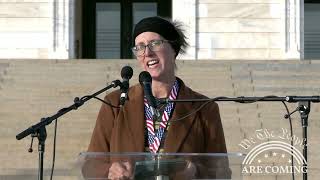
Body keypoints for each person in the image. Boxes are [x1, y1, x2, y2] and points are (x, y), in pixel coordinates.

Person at [87, 16, 229, 179]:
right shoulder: (115, 103)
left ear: (173, 48)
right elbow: (91, 164)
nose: (147, 53)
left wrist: (195, 171)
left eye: (155, 43)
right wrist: (110, 170)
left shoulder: (203, 107)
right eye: (140, 47)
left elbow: (222, 171)